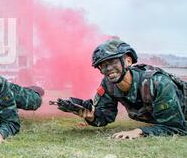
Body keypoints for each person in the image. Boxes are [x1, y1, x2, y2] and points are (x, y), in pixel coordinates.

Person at [53, 38, 186, 139]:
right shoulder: (109, 84)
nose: (108, 69)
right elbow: (105, 116)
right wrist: (91, 115)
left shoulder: (158, 83)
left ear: (128, 61)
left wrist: (139, 132)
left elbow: (177, 127)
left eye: (112, 62)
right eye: (103, 65)